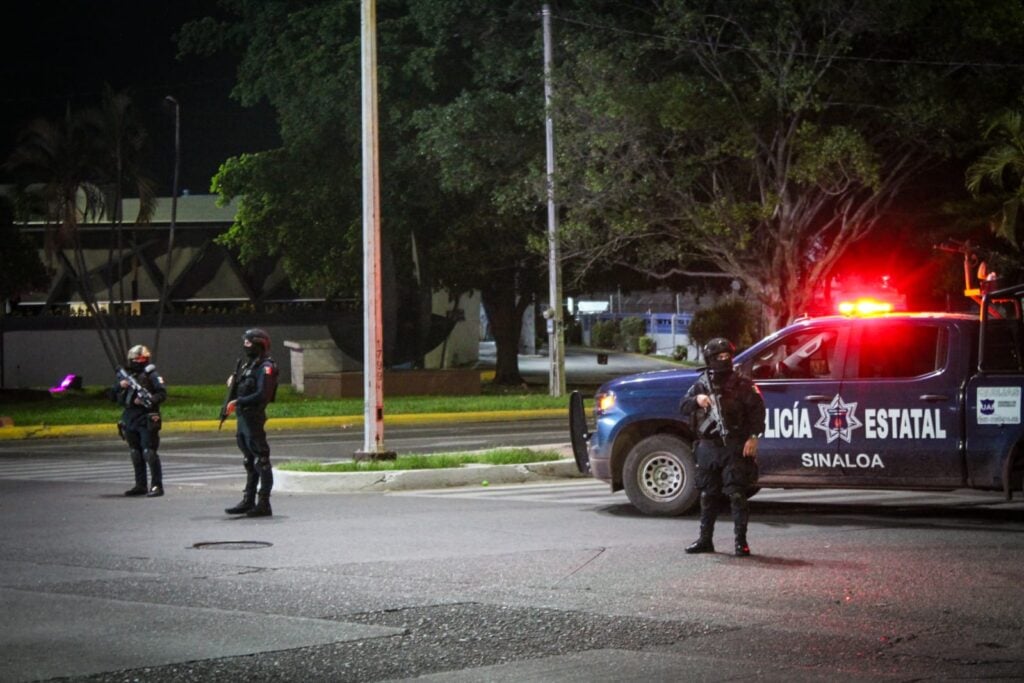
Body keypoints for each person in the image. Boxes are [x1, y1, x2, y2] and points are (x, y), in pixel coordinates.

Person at [679, 337, 766, 556]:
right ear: (710, 359)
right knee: (708, 495)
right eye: (719, 357)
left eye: (727, 356)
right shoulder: (700, 384)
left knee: (736, 494)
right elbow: (683, 406)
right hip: (708, 447)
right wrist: (697, 400)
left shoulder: (743, 383)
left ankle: (741, 543)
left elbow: (758, 412)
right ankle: (705, 540)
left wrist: (754, 437)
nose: (723, 360)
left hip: (735, 446)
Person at [222, 328, 278, 517]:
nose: (246, 347)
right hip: (243, 418)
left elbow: (263, 394)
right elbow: (243, 388)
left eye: (249, 343)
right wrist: (234, 383)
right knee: (249, 460)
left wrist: (239, 401)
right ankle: (248, 500)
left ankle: (264, 503)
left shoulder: (266, 367)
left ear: (259, 344)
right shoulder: (249, 366)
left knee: (262, 460)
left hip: (254, 417)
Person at [112, 345, 167, 497]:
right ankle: (140, 485)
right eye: (134, 359)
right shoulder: (126, 377)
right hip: (130, 417)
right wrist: (120, 386)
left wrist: (147, 400)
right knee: (135, 452)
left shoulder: (151, 375)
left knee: (149, 451)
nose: (135, 362)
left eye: (138, 359)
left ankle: (157, 486)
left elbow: (162, 394)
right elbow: (112, 395)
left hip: (146, 417)